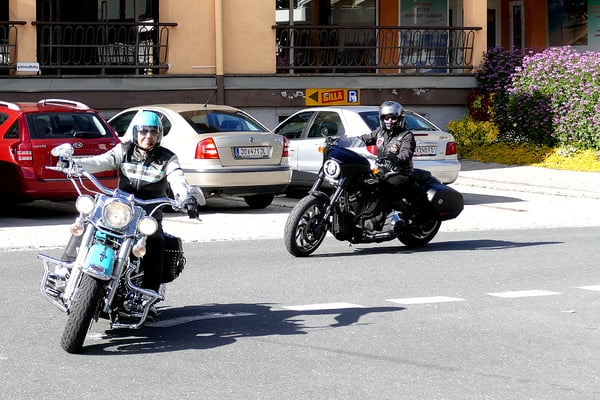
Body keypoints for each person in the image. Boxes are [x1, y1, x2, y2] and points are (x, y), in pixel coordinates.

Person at [71, 110, 205, 293]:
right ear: (135, 132)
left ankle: (149, 293)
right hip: (120, 211)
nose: (148, 136)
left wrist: (186, 197)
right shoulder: (123, 151)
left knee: (156, 243)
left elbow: (178, 179)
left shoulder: (167, 159)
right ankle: (67, 268)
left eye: (153, 132)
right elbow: (99, 161)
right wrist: (74, 163)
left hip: (148, 215)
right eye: (143, 131)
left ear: (159, 135)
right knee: (87, 225)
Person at [359, 101, 416, 228]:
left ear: (400, 119)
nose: (389, 121)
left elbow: (406, 153)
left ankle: (375, 220)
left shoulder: (406, 135)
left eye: (393, 118)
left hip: (401, 172)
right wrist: (344, 141)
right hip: (382, 171)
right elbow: (365, 138)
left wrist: (395, 159)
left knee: (385, 187)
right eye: (386, 118)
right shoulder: (380, 132)